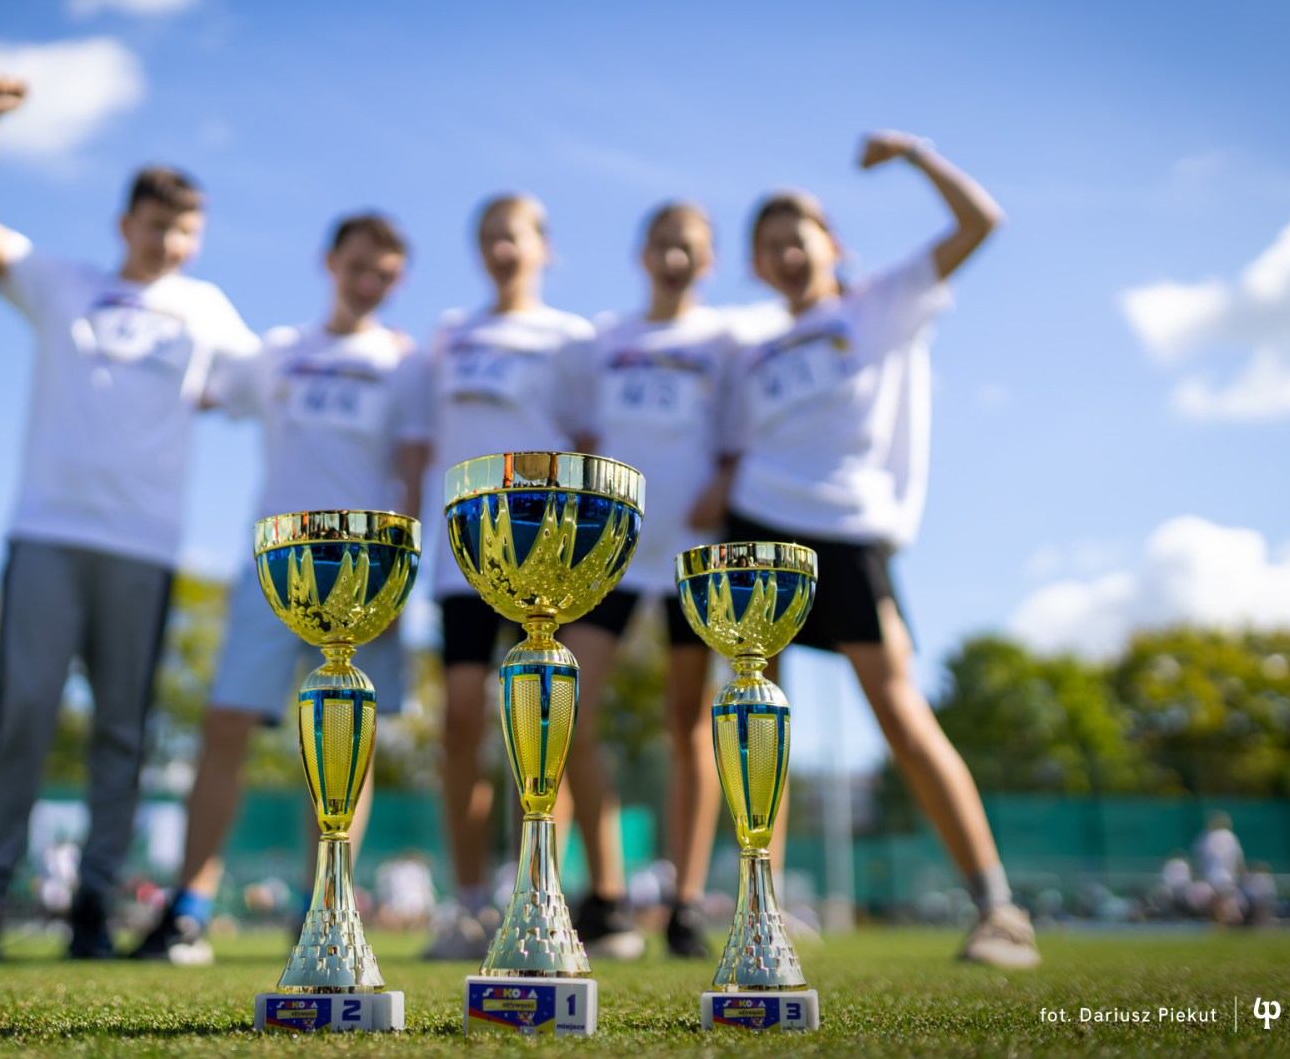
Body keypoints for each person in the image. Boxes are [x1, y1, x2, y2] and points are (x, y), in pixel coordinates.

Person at [0, 76, 257, 963]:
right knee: (23, 710)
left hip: (144, 547)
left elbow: (263, 386)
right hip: (48, 531)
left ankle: (95, 904)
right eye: (158, 224)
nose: (171, 242)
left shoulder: (209, 311)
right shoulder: (62, 282)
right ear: (124, 222)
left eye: (186, 229)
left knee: (122, 729)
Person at [705, 131, 1039, 968]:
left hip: (850, 533)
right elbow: (736, 446)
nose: (787, 255)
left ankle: (998, 910)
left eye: (798, 238)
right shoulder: (750, 348)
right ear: (755, 264)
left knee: (900, 713)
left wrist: (918, 156)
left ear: (833, 244)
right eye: (770, 245)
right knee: (757, 723)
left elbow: (982, 222)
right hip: (755, 531)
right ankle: (762, 914)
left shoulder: (881, 301)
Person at [130, 212, 425, 964]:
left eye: (386, 274)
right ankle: (188, 907)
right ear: (330, 261)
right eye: (359, 265)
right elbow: (198, 392)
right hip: (273, 563)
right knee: (225, 724)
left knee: (345, 741)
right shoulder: (277, 351)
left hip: (367, 569)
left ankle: (323, 907)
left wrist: (401, 578)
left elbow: (414, 471)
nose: (370, 282)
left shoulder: (405, 362)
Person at [408, 194, 598, 961]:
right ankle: (467, 904)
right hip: (463, 555)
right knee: (460, 719)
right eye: (488, 236)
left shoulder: (571, 338)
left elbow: (589, 446)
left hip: (547, 553)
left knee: (543, 727)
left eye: (513, 235)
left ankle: (536, 897)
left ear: (544, 245)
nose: (501, 248)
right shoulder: (450, 333)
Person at [556, 202, 737, 959]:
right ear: (642, 252)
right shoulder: (606, 339)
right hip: (612, 548)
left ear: (710, 259)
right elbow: (579, 430)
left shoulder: (725, 341)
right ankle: (607, 895)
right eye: (663, 244)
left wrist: (720, 484)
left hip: (693, 550)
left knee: (688, 723)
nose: (675, 258)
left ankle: (686, 904)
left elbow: (738, 438)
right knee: (565, 709)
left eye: (689, 247)